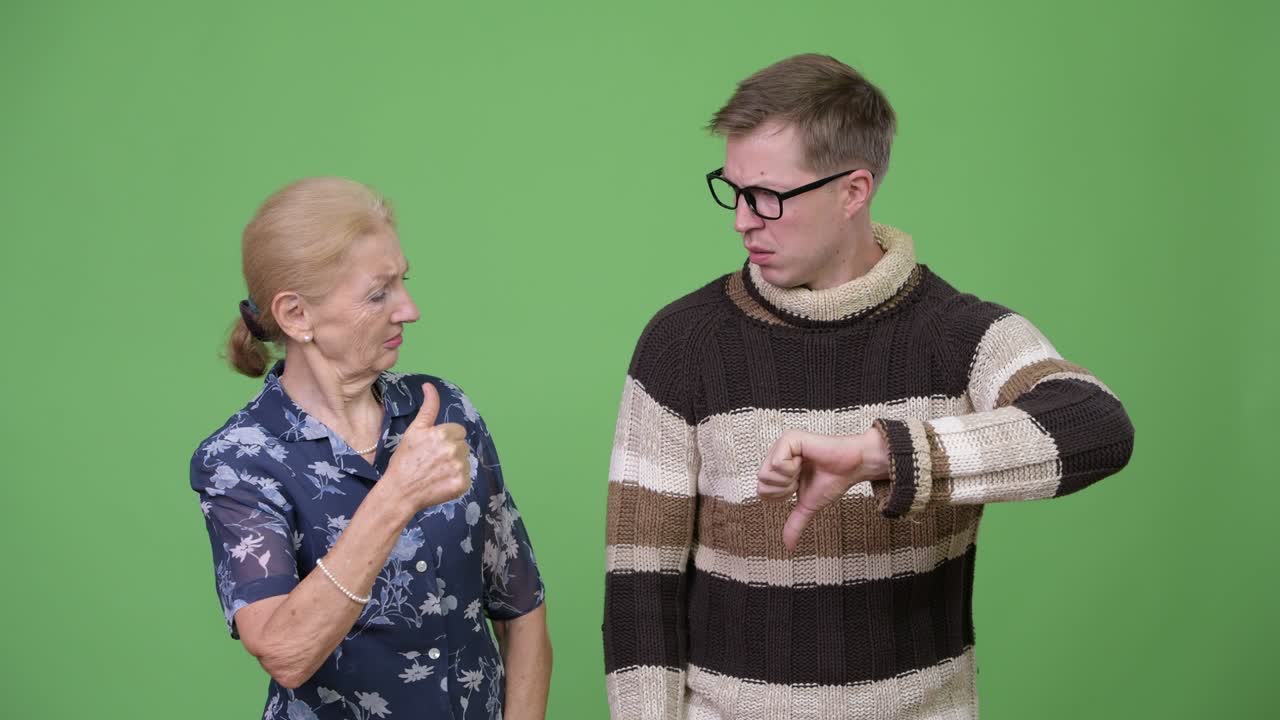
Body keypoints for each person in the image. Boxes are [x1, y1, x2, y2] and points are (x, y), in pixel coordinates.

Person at [602, 54, 1134, 719]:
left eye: (767, 195)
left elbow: (1096, 426)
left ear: (853, 191)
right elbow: (637, 593)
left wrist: (883, 456)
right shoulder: (683, 343)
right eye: (732, 189)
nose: (741, 219)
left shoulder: (958, 335)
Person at [191, 177, 550, 720]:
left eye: (403, 282)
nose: (409, 309)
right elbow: (285, 653)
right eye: (378, 293)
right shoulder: (240, 459)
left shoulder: (447, 410)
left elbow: (522, 610)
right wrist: (397, 495)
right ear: (296, 316)